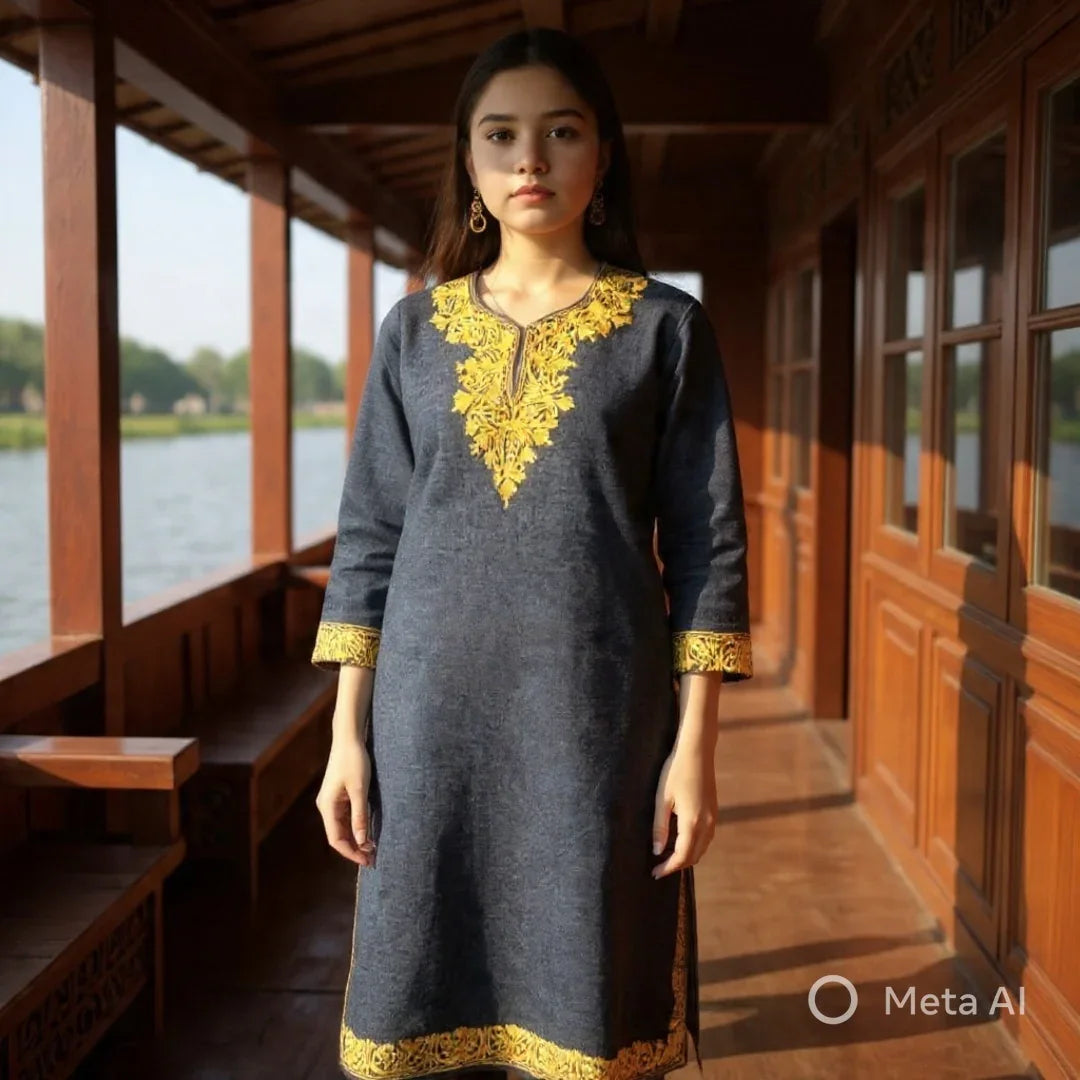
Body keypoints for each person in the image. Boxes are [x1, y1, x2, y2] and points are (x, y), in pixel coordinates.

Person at [312, 25, 752, 1080]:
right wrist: (347, 734)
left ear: (602, 157)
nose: (530, 160)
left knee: (587, 1010)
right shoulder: (413, 332)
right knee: (418, 993)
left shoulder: (664, 328)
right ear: (468, 164)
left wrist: (696, 749)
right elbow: (370, 537)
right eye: (500, 135)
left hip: (595, 719)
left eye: (561, 132)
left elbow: (707, 548)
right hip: (428, 719)